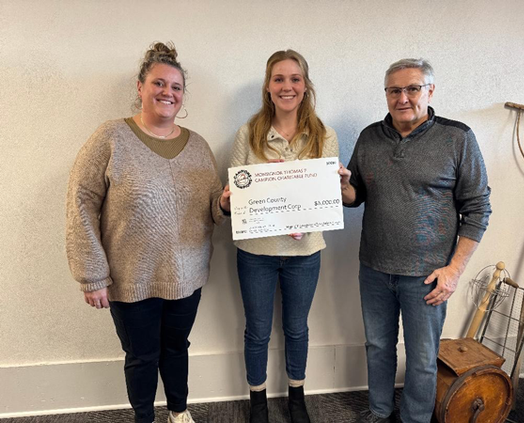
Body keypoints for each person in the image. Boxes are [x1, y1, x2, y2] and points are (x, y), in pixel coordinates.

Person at [66, 42, 230, 423]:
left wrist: (224, 204)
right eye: (159, 83)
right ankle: (144, 418)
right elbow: (81, 201)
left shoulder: (198, 146)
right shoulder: (111, 138)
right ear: (140, 87)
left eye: (175, 87)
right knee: (141, 356)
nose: (167, 92)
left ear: (182, 95)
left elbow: (212, 209)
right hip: (130, 278)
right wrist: (91, 274)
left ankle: (178, 411)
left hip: (186, 276)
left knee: (177, 347)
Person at [339, 58, 491, 423]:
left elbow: (478, 208)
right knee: (378, 346)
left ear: (430, 91)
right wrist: (343, 186)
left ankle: (415, 418)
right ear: (386, 94)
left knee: (422, 358)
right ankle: (378, 411)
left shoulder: (457, 138)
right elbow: (355, 195)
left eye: (412, 89)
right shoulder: (370, 137)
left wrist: (454, 270)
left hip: (428, 275)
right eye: (394, 90)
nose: (402, 98)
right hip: (374, 268)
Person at [230, 50, 339, 423]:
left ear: (305, 86)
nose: (287, 86)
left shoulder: (324, 135)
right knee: (257, 331)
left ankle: (297, 397)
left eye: (295, 79)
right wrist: (234, 197)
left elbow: (328, 198)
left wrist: (335, 186)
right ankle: (257, 401)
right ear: (268, 86)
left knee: (297, 329)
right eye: (279, 79)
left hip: (304, 252)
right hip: (255, 252)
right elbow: (237, 191)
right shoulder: (248, 133)